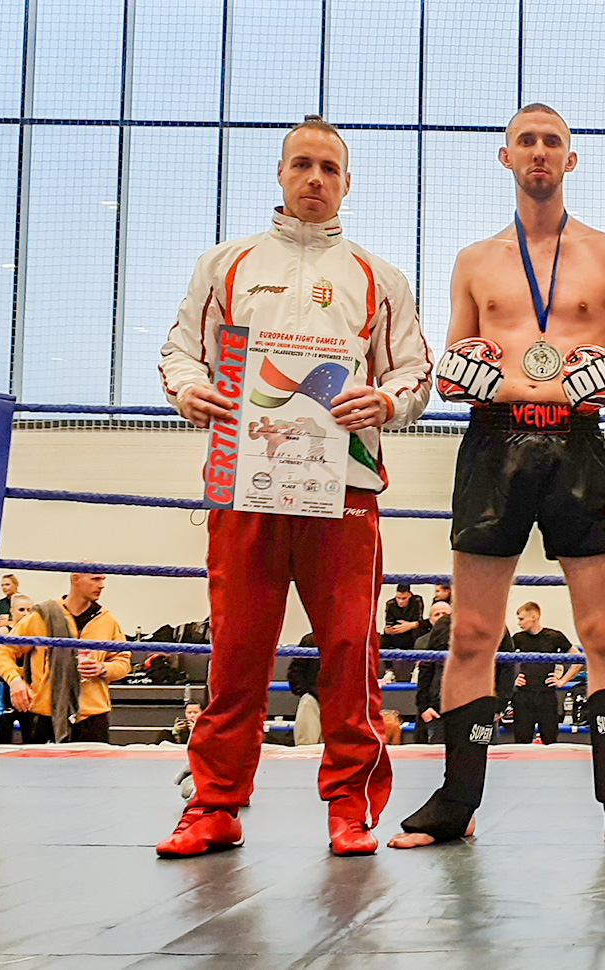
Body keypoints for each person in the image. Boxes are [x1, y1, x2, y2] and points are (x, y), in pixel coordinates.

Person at [155, 115, 433, 859]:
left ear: (347, 183)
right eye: (302, 164)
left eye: (329, 168)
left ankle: (350, 808)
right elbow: (181, 353)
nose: (315, 178)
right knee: (237, 652)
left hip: (344, 490)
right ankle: (214, 805)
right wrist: (188, 390)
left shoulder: (379, 277)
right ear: (280, 174)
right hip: (243, 484)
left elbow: (414, 373)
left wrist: (387, 401)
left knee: (348, 652)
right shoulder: (226, 264)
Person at [394, 103, 605, 853]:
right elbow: (450, 369)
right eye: (526, 142)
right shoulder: (475, 261)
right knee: (472, 631)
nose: (539, 152)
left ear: (570, 160)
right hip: (494, 446)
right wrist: (482, 378)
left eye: (552, 143)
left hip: (579, 445)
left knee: (604, 631)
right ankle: (456, 803)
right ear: (506, 157)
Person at [0, 572, 131, 744]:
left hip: (92, 716)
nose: (101, 585)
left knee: (94, 762)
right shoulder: (42, 616)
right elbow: (3, 652)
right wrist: (15, 681)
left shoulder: (107, 621)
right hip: (45, 714)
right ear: (76, 579)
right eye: (95, 579)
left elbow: (123, 662)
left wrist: (103, 668)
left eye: (102, 580)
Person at [507, 603, 572, 745]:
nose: (519, 623)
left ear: (534, 617)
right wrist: (513, 679)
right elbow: (502, 662)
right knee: (522, 742)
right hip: (524, 695)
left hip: (546, 695)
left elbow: (578, 659)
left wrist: (562, 680)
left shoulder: (554, 636)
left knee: (550, 741)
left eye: (522, 619)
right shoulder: (518, 638)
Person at [0, 593, 34, 744]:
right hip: (6, 690)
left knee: (32, 739)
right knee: (3, 738)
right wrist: (0, 670)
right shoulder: (3, 632)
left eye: (29, 610)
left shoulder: (35, 634)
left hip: (29, 691)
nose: (26, 614)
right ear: (12, 611)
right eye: (21, 609)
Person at [413, 600, 451, 744]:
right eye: (437, 614)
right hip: (434, 707)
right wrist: (424, 708)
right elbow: (424, 674)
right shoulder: (422, 642)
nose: (441, 617)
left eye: (444, 614)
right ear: (430, 619)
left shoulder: (465, 641)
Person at [381, 584, 429, 683]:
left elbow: (419, 620)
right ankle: (389, 671)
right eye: (398, 598)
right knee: (383, 638)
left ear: (410, 595)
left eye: (404, 598)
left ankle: (417, 668)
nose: (400, 601)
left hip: (412, 632)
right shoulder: (390, 603)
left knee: (419, 633)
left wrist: (409, 625)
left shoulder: (417, 601)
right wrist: (389, 629)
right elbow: (389, 622)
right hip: (397, 632)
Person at [286, 639, 321, 747]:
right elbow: (295, 671)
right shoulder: (310, 640)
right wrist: (307, 692)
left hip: (340, 701)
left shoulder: (347, 640)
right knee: (306, 744)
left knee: (339, 745)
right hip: (314, 699)